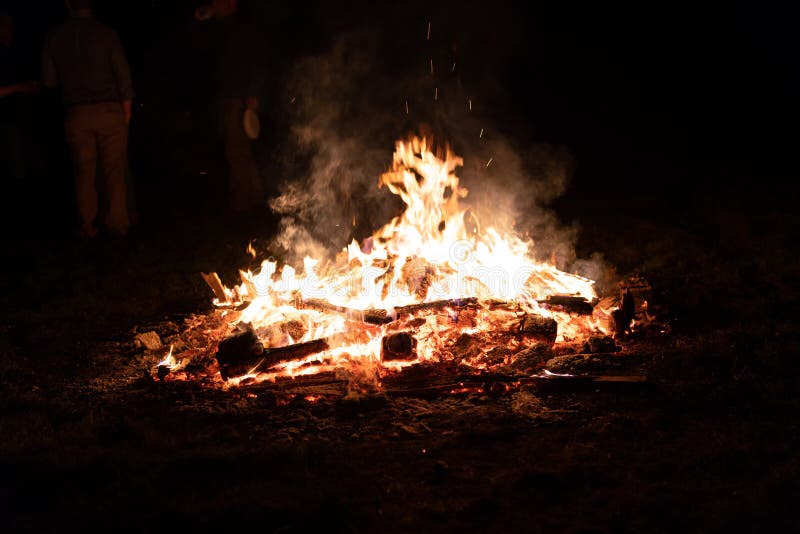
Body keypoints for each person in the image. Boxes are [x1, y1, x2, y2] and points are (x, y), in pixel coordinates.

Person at [42, 0, 134, 239]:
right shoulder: (107, 34)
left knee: (84, 172)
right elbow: (123, 75)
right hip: (109, 109)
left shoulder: (55, 37)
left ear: (67, 4)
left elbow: (49, 81)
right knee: (114, 170)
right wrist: (126, 110)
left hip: (77, 112)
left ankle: (87, 225)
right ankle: (118, 223)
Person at [194, 0, 267, 212]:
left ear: (230, 3)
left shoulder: (242, 28)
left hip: (237, 98)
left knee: (237, 150)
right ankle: (253, 197)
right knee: (238, 149)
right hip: (226, 97)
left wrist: (252, 94)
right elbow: (196, 47)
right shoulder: (219, 28)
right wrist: (201, 20)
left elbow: (255, 61)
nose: (214, 4)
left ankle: (244, 202)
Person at [0, 11, 39, 182]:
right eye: (4, 24)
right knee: (17, 164)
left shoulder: (18, 51)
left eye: (9, 24)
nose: (8, 28)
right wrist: (19, 88)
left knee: (31, 161)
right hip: (7, 119)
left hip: (25, 117)